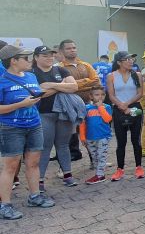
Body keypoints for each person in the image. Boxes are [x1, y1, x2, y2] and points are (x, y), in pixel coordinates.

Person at [0, 44, 55, 220]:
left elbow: (36, 96)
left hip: (34, 124)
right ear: (13, 61)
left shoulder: (31, 76)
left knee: (33, 162)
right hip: (11, 128)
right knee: (11, 166)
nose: (29, 61)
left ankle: (34, 196)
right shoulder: (2, 80)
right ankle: (5, 205)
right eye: (25, 58)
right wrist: (21, 104)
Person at [32, 45, 79, 191]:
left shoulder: (60, 69)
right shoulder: (31, 73)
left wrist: (51, 85)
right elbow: (37, 94)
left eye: (51, 55)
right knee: (45, 147)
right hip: (43, 114)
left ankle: (67, 175)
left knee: (63, 145)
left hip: (63, 113)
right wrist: (61, 86)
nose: (49, 58)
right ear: (36, 57)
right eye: (45, 55)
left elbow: (74, 87)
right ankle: (39, 181)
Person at [58, 39, 101, 161]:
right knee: (70, 133)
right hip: (69, 105)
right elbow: (62, 86)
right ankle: (72, 157)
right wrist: (87, 82)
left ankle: (95, 158)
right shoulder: (59, 68)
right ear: (62, 51)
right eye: (68, 48)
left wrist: (74, 85)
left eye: (74, 48)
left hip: (88, 103)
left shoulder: (86, 65)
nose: (72, 50)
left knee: (91, 131)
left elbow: (96, 81)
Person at [106, 51, 144, 181]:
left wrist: (127, 105)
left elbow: (140, 93)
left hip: (135, 109)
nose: (130, 61)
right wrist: (121, 106)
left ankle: (139, 167)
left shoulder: (137, 74)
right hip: (118, 110)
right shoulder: (111, 76)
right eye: (127, 59)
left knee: (136, 140)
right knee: (121, 141)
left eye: (131, 59)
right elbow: (111, 95)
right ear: (119, 62)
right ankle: (120, 169)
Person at [80, 87, 113, 184]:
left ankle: (100, 175)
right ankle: (99, 172)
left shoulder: (107, 107)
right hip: (90, 137)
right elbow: (82, 123)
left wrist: (100, 107)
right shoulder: (86, 108)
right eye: (97, 95)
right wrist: (82, 137)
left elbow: (108, 119)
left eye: (102, 95)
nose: (100, 97)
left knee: (101, 156)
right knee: (94, 157)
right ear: (91, 96)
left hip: (103, 136)